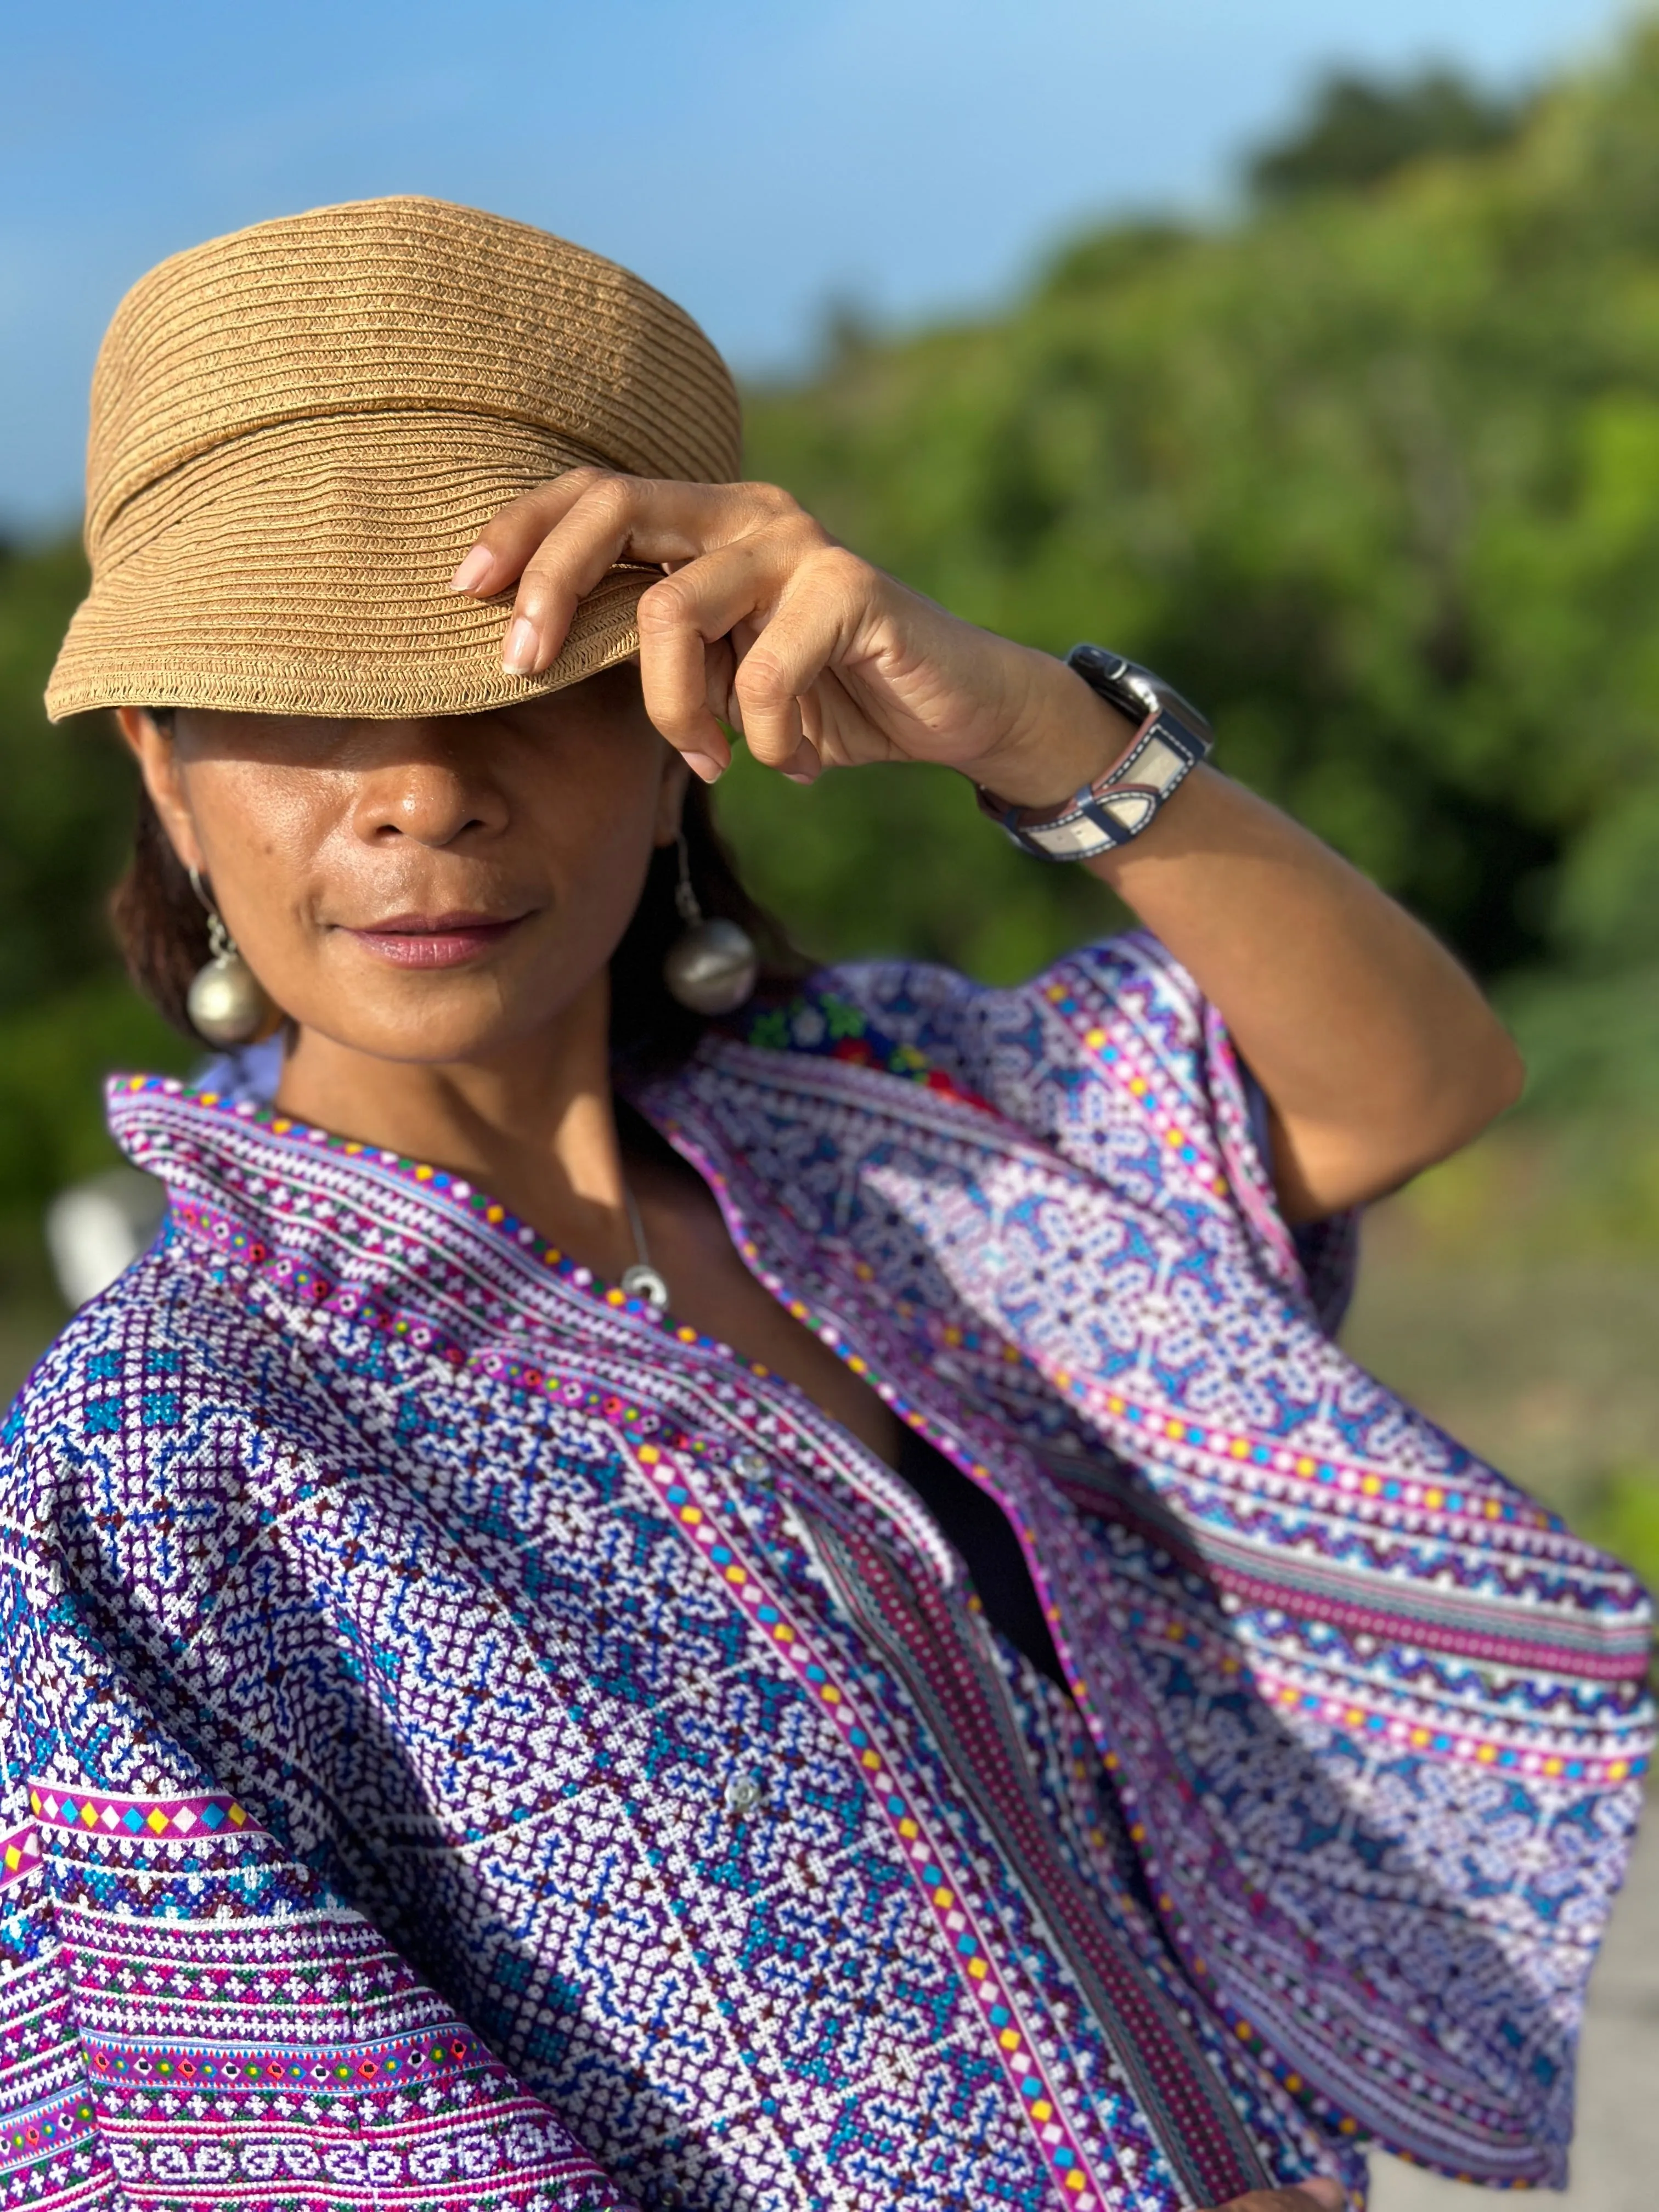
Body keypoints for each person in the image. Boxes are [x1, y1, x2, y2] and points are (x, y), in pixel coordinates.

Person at [5, 196, 1649, 2212]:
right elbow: (253, 2154)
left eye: (533, 672)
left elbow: (1418, 1081)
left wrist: (1035, 724)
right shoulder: (168, 1446)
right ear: (165, 771)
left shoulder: (879, 1125)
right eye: (290, 691)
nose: (421, 788)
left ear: (687, 720)